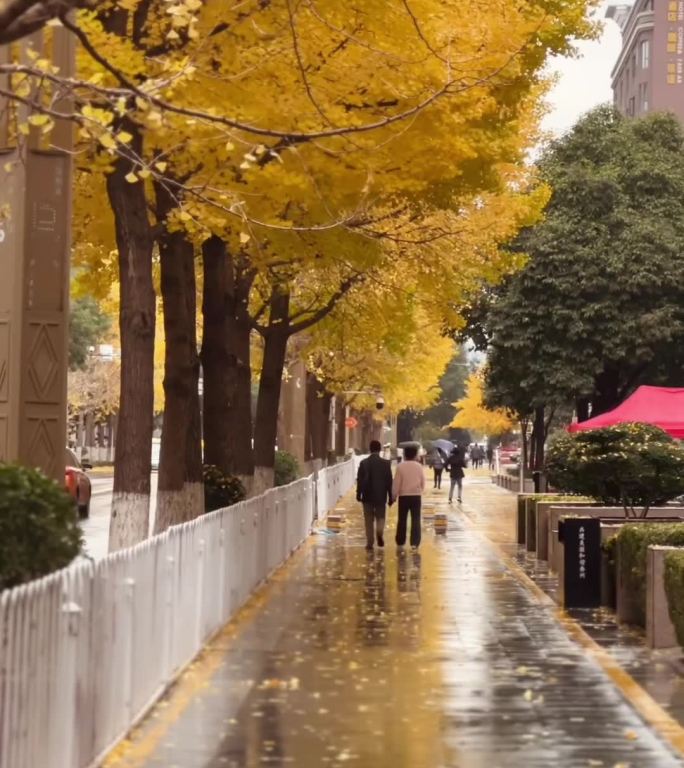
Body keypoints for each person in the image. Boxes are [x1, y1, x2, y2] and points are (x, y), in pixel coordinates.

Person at [356, 440, 393, 550]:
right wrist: (390, 497)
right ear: (380, 449)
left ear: (370, 449)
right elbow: (389, 482)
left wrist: (358, 494)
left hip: (367, 496)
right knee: (380, 517)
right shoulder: (386, 464)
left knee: (368, 520)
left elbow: (360, 480)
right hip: (381, 496)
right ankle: (379, 532)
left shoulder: (364, 463)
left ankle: (370, 542)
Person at [392, 444, 425, 551]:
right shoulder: (419, 466)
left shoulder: (400, 466)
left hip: (404, 496)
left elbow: (396, 483)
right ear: (415, 455)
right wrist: (419, 490)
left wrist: (394, 495)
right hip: (416, 496)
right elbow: (423, 482)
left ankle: (400, 541)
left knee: (402, 519)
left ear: (405, 455)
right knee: (416, 519)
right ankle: (415, 542)